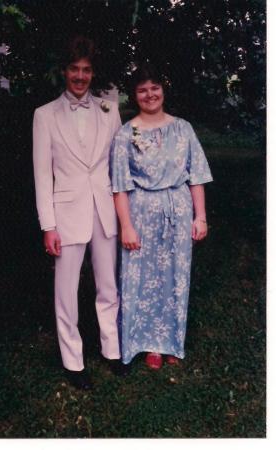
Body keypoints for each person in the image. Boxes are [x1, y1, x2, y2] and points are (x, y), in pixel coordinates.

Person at [33, 36, 128, 390]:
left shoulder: (109, 109)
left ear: (92, 73)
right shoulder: (44, 115)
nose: (80, 76)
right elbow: (43, 175)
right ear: (64, 72)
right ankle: (73, 361)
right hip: (67, 212)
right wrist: (49, 225)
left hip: (104, 210)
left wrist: (124, 212)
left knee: (108, 284)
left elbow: (118, 167)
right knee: (66, 290)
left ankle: (112, 349)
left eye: (86, 70)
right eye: (74, 69)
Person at [110, 64, 213, 369]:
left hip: (178, 211)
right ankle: (147, 343)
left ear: (163, 90)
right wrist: (126, 226)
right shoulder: (126, 134)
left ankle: (171, 341)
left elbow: (196, 176)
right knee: (141, 277)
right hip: (140, 213)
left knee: (174, 277)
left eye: (154, 87)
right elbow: (119, 185)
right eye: (142, 89)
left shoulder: (183, 128)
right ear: (135, 94)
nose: (149, 94)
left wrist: (201, 216)